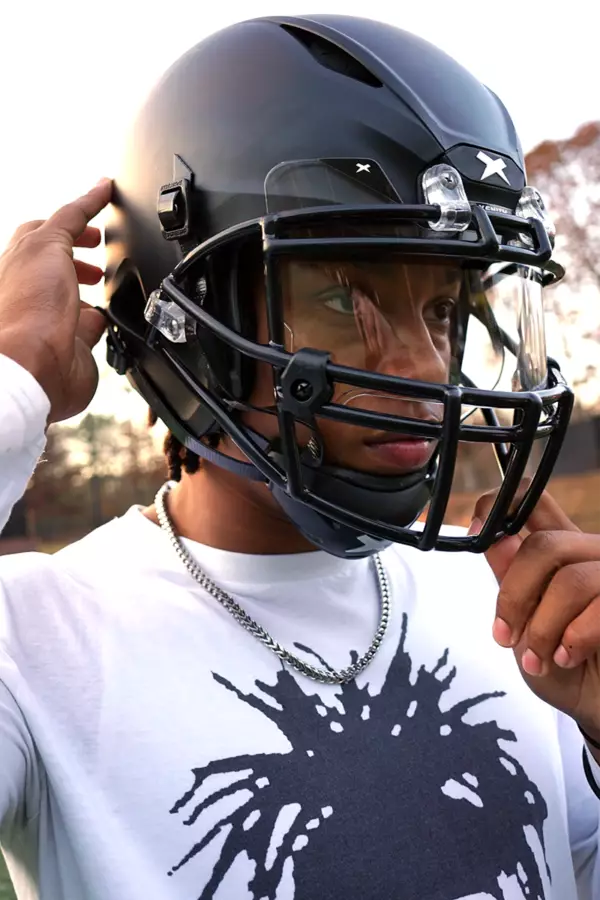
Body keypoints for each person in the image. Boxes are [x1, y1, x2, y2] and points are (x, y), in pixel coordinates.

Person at [1, 13, 600, 900]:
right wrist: (15, 379)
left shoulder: (518, 615)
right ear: (186, 330)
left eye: (441, 311)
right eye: (335, 294)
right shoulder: (37, 640)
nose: (422, 369)